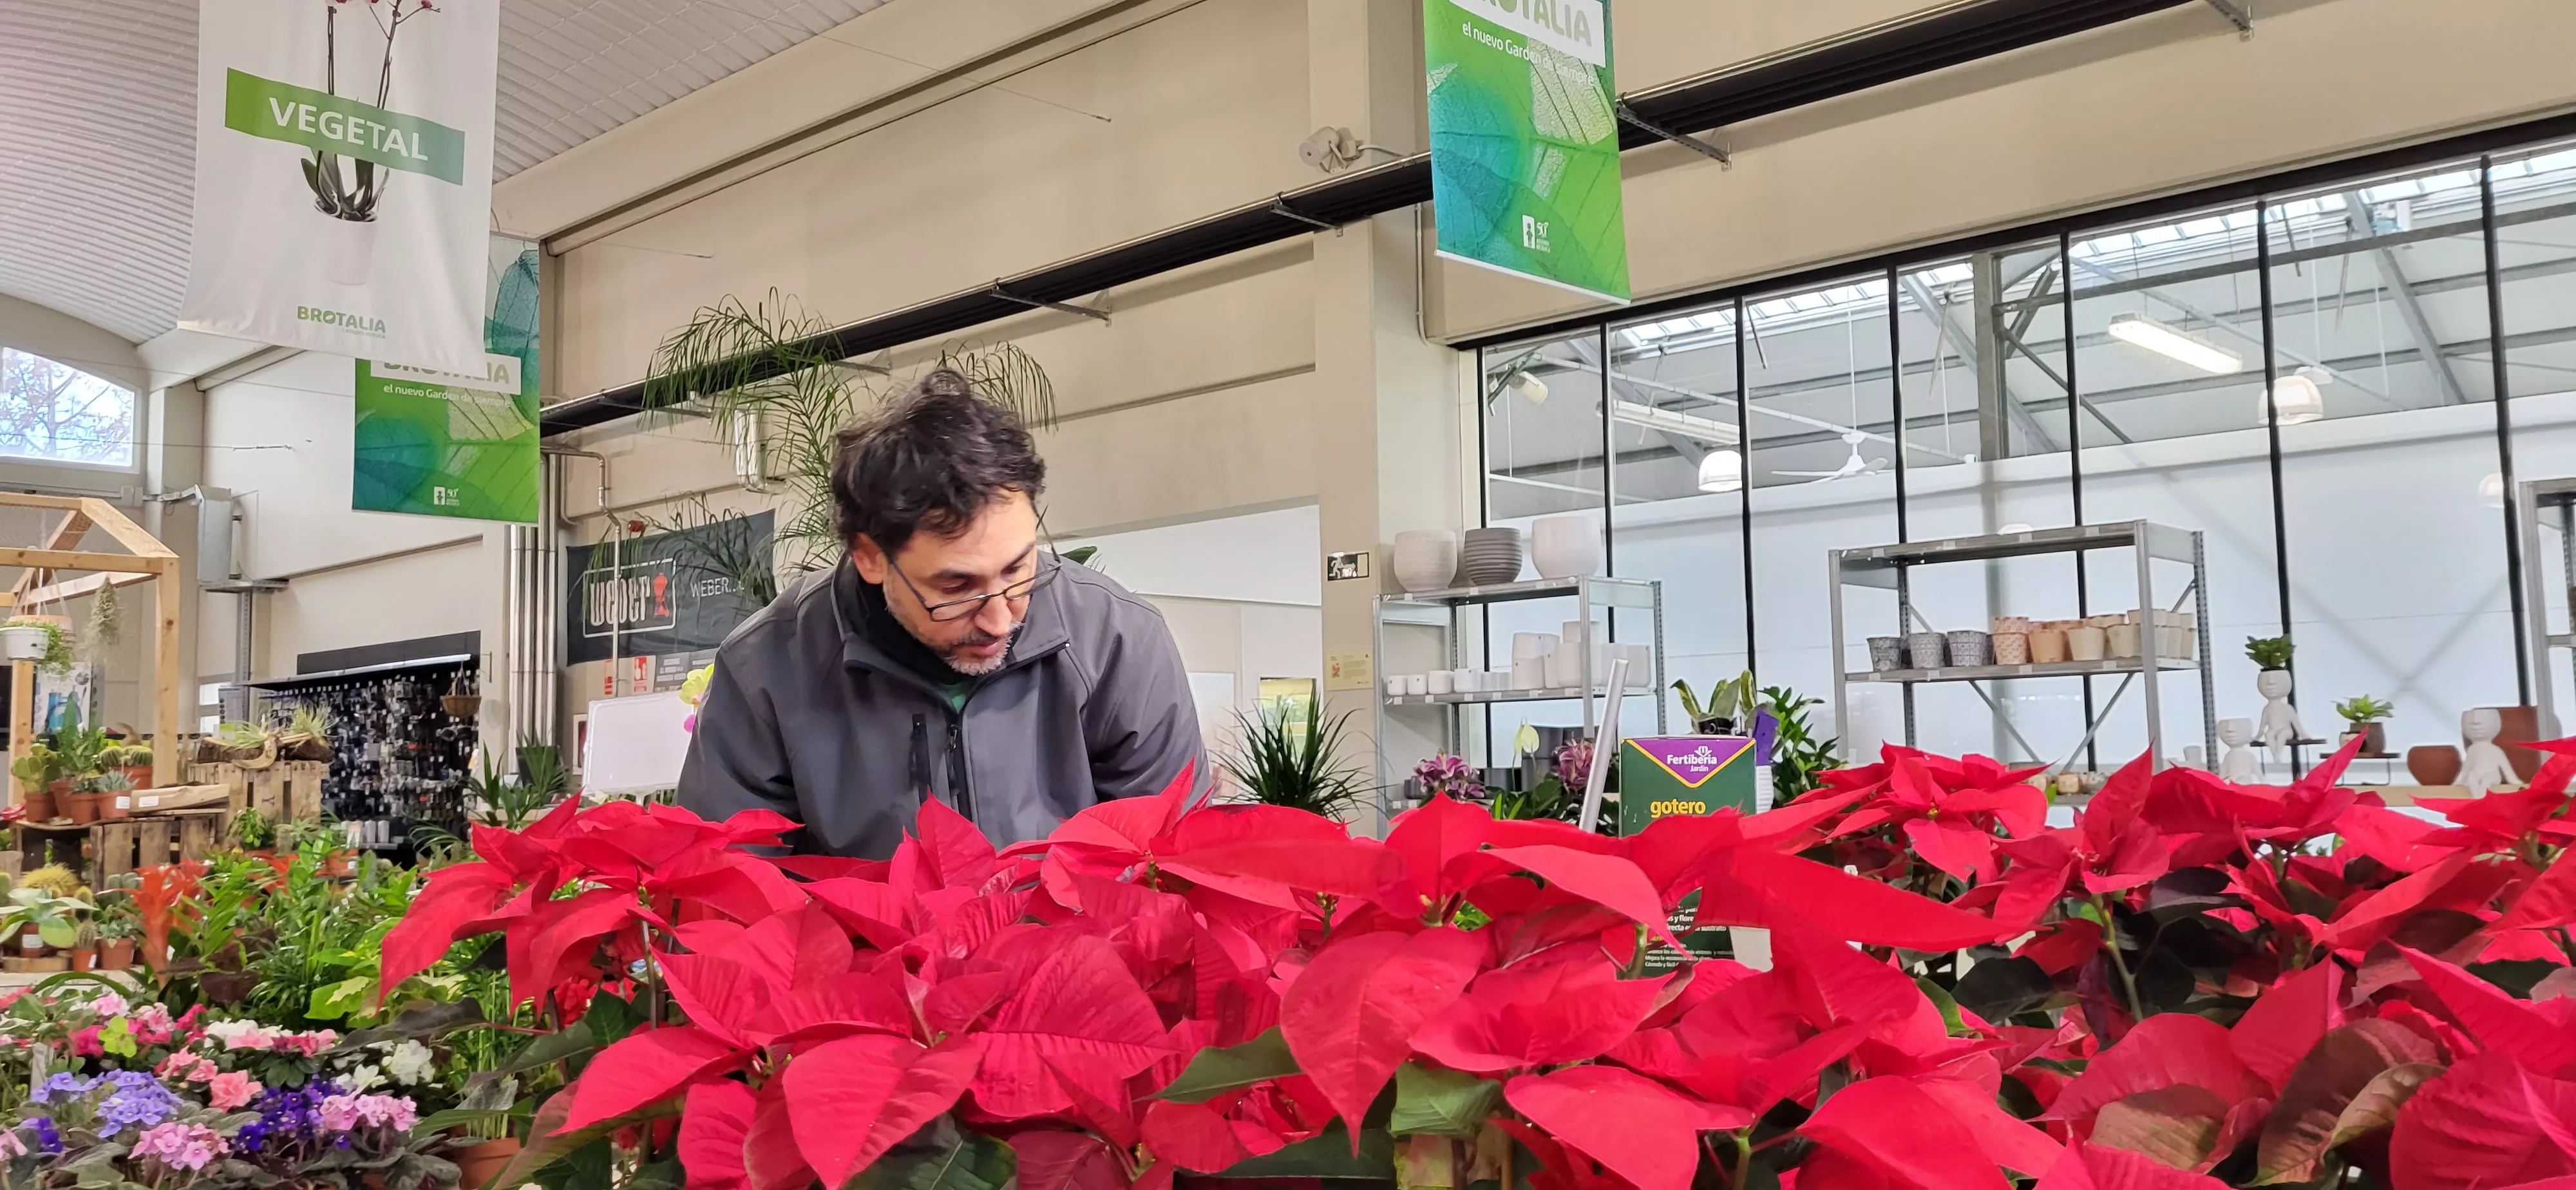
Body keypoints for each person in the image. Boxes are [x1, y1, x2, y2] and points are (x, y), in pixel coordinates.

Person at [678, 368, 1203, 856]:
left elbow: (1176, 864)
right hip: (866, 958)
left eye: (1020, 569)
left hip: (1080, 956)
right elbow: (727, 895)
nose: (1001, 619)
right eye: (957, 586)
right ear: (869, 557)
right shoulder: (766, 670)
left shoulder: (1116, 641)